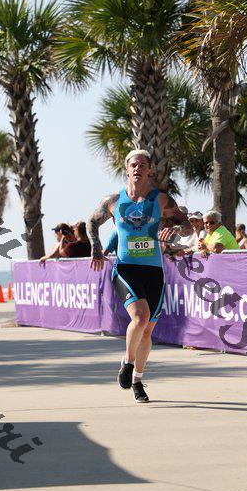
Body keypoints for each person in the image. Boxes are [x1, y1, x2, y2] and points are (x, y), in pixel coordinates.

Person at [86, 149, 187, 403]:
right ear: (126, 168)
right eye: (133, 165)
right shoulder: (113, 201)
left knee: (147, 331)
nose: (137, 169)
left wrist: (174, 229)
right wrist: (96, 248)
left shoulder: (161, 200)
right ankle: (128, 363)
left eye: (143, 165)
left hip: (154, 271)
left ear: (150, 170)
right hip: (126, 269)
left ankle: (138, 381)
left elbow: (186, 226)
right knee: (139, 318)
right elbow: (92, 222)